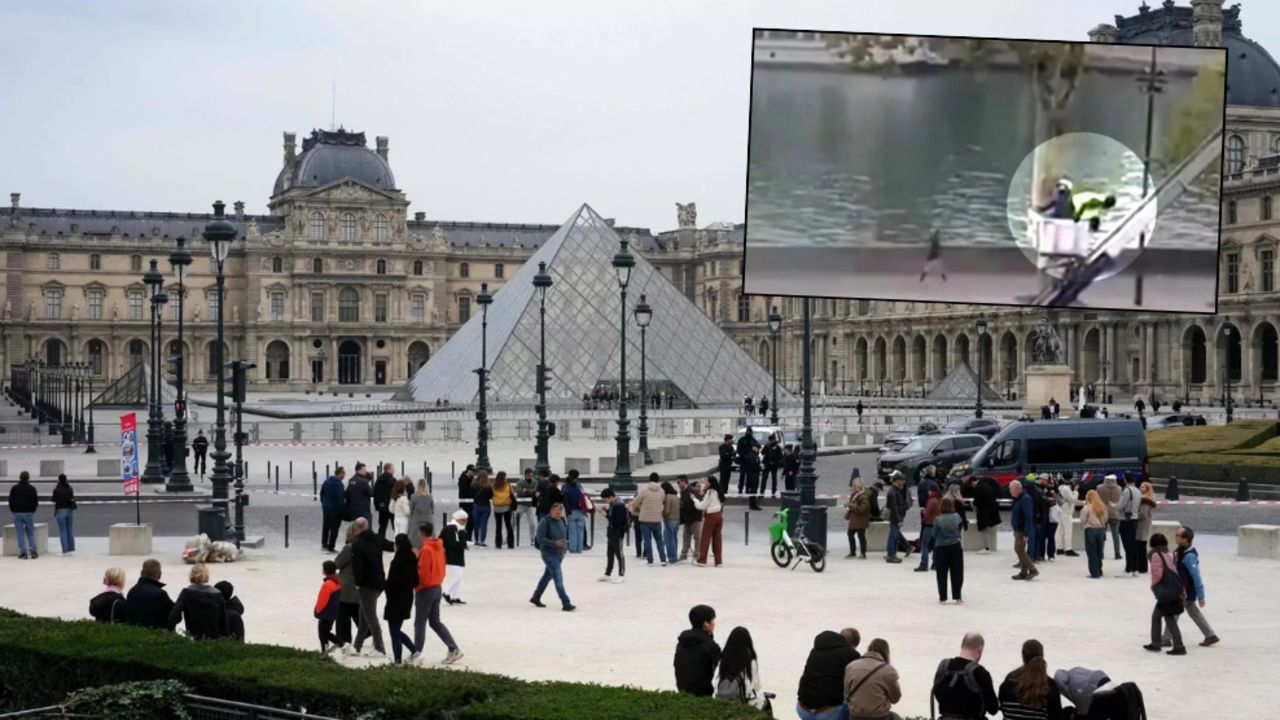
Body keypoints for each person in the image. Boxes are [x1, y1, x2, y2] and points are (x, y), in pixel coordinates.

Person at [414, 521, 463, 664]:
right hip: (437, 587)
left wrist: (418, 587)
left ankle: (417, 653)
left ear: (421, 533)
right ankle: (453, 648)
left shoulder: (426, 550)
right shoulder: (439, 547)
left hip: (426, 589)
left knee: (420, 623)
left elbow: (422, 573)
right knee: (435, 622)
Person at [1167, 525, 1219, 648]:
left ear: (1186, 540)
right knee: (1191, 612)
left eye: (1178, 536)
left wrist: (1201, 596)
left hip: (1185, 592)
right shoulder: (1181, 551)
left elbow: (1196, 577)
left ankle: (1166, 638)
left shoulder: (1189, 556)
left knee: (1173, 612)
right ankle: (1210, 635)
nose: (1176, 537)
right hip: (1182, 590)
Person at [350, 517, 394, 657]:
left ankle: (380, 647)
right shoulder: (378, 538)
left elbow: (357, 568)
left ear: (356, 528)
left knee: (370, 616)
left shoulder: (357, 545)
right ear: (367, 525)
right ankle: (357, 646)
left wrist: (358, 583)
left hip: (367, 584)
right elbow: (392, 546)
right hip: (380, 581)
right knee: (363, 615)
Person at [931, 632, 1000, 720]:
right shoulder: (980, 673)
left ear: (962, 646)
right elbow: (993, 709)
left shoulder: (943, 666)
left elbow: (937, 693)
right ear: (979, 651)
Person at [797, 628, 861, 720]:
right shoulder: (852, 655)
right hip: (828, 713)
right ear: (854, 645)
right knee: (856, 707)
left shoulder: (815, 650)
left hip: (802, 709)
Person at [997, 639, 1064, 719]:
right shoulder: (1050, 686)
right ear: (1042, 656)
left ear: (1023, 657)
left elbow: (1002, 706)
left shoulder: (1010, 680)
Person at [1144, 533, 1187, 656]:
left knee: (1168, 618)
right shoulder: (1168, 554)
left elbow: (1157, 574)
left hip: (1165, 592)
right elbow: (1175, 572)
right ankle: (1156, 643)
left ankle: (1178, 645)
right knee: (1158, 616)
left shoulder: (1155, 555)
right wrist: (1181, 590)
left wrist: (1153, 586)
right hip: (1172, 591)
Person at [529, 503, 575, 611]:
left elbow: (563, 536)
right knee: (558, 579)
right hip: (549, 555)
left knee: (547, 577)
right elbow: (540, 540)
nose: (558, 515)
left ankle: (536, 597)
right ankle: (566, 603)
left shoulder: (562, 520)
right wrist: (554, 543)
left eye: (560, 513)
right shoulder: (544, 522)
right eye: (556, 513)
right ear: (551, 511)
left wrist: (564, 546)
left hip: (559, 554)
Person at [383, 533, 420, 665]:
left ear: (396, 546)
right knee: (396, 629)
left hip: (395, 600)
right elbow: (416, 581)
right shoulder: (412, 559)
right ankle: (415, 651)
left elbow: (391, 584)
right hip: (407, 598)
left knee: (394, 632)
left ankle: (398, 661)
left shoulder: (396, 562)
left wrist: (384, 585)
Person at [844, 637, 903, 720]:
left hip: (855, 715)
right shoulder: (888, 670)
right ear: (886, 652)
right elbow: (895, 698)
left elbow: (846, 693)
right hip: (879, 717)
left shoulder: (851, 666)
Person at [168, 563, 228, 640]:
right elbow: (224, 621)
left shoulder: (186, 593)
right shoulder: (217, 595)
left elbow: (173, 616)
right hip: (214, 639)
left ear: (191, 576)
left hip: (193, 637)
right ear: (207, 576)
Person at [716, 626, 769, 711]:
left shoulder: (722, 658)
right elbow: (756, 686)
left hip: (721, 701)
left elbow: (715, 682)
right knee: (765, 703)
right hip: (744, 703)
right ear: (748, 642)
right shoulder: (750, 661)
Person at [674, 604, 721, 697]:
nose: (714, 623)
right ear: (706, 624)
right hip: (703, 694)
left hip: (682, 691)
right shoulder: (710, 646)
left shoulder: (682, 642)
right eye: (712, 620)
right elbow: (722, 669)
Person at [333, 523, 363, 652]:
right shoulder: (364, 547)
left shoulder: (349, 548)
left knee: (343, 616)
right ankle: (368, 632)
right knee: (356, 612)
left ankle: (344, 640)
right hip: (359, 585)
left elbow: (337, 564)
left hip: (346, 585)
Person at [126, 559, 175, 630]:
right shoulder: (160, 595)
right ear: (159, 575)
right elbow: (173, 616)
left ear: (141, 573)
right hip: (156, 636)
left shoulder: (132, 591)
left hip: (135, 634)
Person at [631, 473, 669, 566]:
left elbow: (635, 503)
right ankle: (663, 559)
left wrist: (642, 505)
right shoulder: (662, 491)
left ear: (649, 479)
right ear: (658, 479)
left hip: (645, 519)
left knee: (647, 541)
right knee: (659, 540)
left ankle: (650, 560)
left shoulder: (644, 490)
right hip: (657, 519)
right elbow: (663, 501)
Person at [933, 498, 965, 603]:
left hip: (941, 547)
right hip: (955, 545)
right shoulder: (957, 517)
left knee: (941, 573)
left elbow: (934, 534)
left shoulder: (938, 519)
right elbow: (960, 528)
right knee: (957, 572)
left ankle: (942, 597)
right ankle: (957, 596)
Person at [1113, 474, 1141, 577]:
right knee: (1133, 545)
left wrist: (1112, 505)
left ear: (1125, 480)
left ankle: (1128, 569)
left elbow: (1120, 505)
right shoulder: (1138, 490)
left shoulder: (1126, 491)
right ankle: (1135, 569)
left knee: (1127, 546)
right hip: (1134, 519)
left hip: (1126, 520)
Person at [694, 476, 726, 566]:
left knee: (705, 538)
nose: (704, 483)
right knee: (717, 539)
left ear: (710, 483)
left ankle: (702, 560)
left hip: (711, 516)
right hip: (719, 515)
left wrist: (695, 500)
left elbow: (702, 506)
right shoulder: (718, 492)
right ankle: (718, 561)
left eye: (706, 481)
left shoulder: (710, 492)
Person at [1010, 481, 1038, 581]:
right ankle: (1023, 572)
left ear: (1017, 489)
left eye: (1011, 489)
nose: (1010, 491)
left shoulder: (1025, 499)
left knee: (1019, 549)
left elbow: (1028, 517)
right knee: (1020, 549)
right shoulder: (1018, 499)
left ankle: (1033, 569)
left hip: (1022, 530)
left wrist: (1026, 532)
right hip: (1018, 529)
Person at [598, 488, 628, 583]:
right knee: (610, 553)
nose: (606, 501)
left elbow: (617, 521)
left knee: (619, 553)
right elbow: (613, 516)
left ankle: (621, 574)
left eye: (606, 499)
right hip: (611, 531)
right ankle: (608, 573)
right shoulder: (613, 504)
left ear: (610, 497)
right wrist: (606, 512)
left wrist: (606, 515)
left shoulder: (619, 505)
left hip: (617, 532)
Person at [7, 470, 39, 559]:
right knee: (31, 532)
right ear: (28, 478)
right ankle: (33, 551)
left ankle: (23, 552)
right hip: (29, 512)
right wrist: (32, 510)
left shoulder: (14, 488)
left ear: (19, 477)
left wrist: (13, 510)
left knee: (20, 533)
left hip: (17, 512)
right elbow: (35, 501)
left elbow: (11, 500)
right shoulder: (32, 488)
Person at [314, 560, 344, 654]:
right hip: (333, 612)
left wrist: (317, 611)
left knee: (323, 632)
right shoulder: (338, 581)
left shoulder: (327, 585)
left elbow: (322, 600)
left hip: (325, 613)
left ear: (325, 571)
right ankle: (328, 646)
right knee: (326, 631)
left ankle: (338, 644)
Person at [442, 509, 469, 605]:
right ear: (458, 519)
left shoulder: (458, 528)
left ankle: (455, 596)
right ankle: (447, 592)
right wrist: (463, 544)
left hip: (456, 555)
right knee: (458, 575)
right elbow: (451, 543)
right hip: (451, 555)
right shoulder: (451, 528)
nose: (464, 522)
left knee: (459, 575)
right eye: (463, 520)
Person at [885, 471, 913, 564]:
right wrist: (899, 520)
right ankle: (891, 555)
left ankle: (891, 554)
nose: (903, 482)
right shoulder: (893, 491)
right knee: (893, 536)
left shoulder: (894, 490)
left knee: (893, 535)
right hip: (896, 517)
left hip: (896, 516)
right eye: (902, 480)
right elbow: (894, 507)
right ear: (897, 481)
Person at [1080, 490, 1109, 579]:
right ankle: (1100, 570)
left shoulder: (1087, 508)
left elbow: (1082, 520)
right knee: (1099, 551)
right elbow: (1105, 519)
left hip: (1090, 530)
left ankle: (1094, 572)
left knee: (1092, 552)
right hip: (1101, 530)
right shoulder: (1102, 506)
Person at [969, 475, 1000, 553]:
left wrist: (973, 505)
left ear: (973, 482)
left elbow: (976, 502)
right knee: (987, 529)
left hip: (983, 512)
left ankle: (986, 548)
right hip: (991, 510)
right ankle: (988, 547)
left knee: (984, 529)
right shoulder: (986, 485)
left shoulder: (979, 488)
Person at [319, 467, 347, 552]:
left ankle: (324, 544)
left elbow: (321, 493)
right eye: (344, 474)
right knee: (334, 528)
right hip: (335, 510)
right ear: (340, 474)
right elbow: (340, 498)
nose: (344, 476)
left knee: (326, 526)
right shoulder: (339, 484)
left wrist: (324, 503)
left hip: (326, 508)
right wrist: (342, 510)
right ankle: (331, 546)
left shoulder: (327, 481)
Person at [677, 475, 703, 562]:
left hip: (695, 517)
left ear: (684, 481)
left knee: (697, 536)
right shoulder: (682, 491)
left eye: (679, 482)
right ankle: (684, 554)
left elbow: (699, 502)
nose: (678, 484)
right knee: (686, 536)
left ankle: (697, 553)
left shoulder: (693, 491)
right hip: (687, 518)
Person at [916, 483, 941, 572]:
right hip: (937, 526)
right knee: (935, 546)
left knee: (924, 545)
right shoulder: (940, 500)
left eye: (929, 491)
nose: (928, 493)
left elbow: (927, 515)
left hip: (929, 525)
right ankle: (935, 564)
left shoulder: (931, 501)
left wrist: (923, 513)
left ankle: (924, 564)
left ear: (931, 491)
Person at [1097, 474, 1123, 561]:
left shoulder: (1099, 487)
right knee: (1115, 534)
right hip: (1115, 512)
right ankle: (1117, 553)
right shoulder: (1119, 488)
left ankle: (1101, 553)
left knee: (1102, 533)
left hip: (1103, 512)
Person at [1135, 481, 1158, 574]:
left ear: (1147, 490)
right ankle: (1142, 566)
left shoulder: (1145, 501)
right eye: (1140, 486)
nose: (1140, 488)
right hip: (1145, 524)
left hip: (1142, 525)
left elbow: (1143, 514)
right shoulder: (1149, 500)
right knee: (1142, 546)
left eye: (1143, 487)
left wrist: (1134, 515)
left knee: (1140, 546)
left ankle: (1142, 567)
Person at [845, 478, 872, 559]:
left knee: (861, 536)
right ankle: (853, 552)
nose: (853, 487)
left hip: (860, 519)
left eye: (854, 486)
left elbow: (862, 509)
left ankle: (863, 553)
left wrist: (851, 506)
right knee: (850, 534)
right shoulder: (855, 494)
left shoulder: (863, 496)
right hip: (854, 519)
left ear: (858, 486)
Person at [561, 470, 586, 554]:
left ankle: (573, 549)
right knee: (580, 530)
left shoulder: (565, 488)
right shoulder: (579, 486)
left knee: (572, 531)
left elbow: (565, 501)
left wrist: (568, 511)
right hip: (581, 511)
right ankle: (580, 549)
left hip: (571, 511)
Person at [51, 473, 76, 556]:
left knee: (63, 530)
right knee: (69, 529)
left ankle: (64, 550)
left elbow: (53, 499)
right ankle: (70, 549)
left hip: (61, 510)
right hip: (69, 510)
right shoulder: (69, 488)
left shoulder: (57, 489)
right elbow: (72, 497)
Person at [490, 471, 516, 550]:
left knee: (498, 526)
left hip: (497, 508)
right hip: (507, 507)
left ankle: (498, 544)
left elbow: (491, 494)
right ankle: (510, 544)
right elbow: (511, 493)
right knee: (508, 526)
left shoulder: (494, 485)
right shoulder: (507, 484)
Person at [408, 479, 435, 551]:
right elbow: (432, 509)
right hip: (428, 519)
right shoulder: (430, 496)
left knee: (416, 542)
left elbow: (411, 509)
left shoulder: (413, 496)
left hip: (416, 520)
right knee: (428, 540)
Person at [1055, 480, 1079, 558]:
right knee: (1068, 531)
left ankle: (1059, 548)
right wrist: (1075, 491)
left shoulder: (1061, 488)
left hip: (1062, 510)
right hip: (1067, 512)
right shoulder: (1066, 489)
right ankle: (1068, 548)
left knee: (1060, 530)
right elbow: (1073, 500)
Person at [375, 463, 397, 540]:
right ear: (388, 469)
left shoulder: (378, 480)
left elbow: (376, 493)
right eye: (393, 469)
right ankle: (399, 544)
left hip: (382, 507)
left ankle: (379, 543)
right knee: (396, 527)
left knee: (382, 526)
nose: (394, 470)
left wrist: (377, 506)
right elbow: (395, 494)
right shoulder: (393, 480)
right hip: (391, 507)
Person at [470, 470, 493, 548]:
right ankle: (482, 541)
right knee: (484, 525)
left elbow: (472, 495)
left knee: (476, 524)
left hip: (476, 506)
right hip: (486, 506)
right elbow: (491, 496)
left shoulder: (474, 485)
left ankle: (476, 540)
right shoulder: (488, 486)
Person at [515, 468, 538, 543]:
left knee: (532, 523)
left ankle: (532, 539)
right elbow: (520, 492)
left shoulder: (535, 481)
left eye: (531, 475)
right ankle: (508, 537)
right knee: (514, 521)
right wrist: (531, 491)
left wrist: (526, 490)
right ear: (525, 475)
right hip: (521, 505)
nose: (530, 477)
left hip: (530, 505)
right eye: (528, 475)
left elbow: (536, 491)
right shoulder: (520, 482)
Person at [661, 480, 681, 564]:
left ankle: (672, 557)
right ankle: (675, 555)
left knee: (669, 539)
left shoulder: (667, 496)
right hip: (677, 518)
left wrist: (663, 514)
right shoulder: (676, 496)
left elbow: (667, 510)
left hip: (669, 519)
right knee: (674, 537)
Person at [737, 428, 761, 495]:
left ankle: (748, 488)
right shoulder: (742, 440)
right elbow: (738, 450)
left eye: (750, 432)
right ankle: (740, 489)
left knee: (749, 477)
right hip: (743, 460)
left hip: (750, 462)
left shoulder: (753, 441)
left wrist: (751, 455)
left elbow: (757, 449)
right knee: (742, 476)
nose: (749, 433)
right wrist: (744, 455)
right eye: (748, 432)